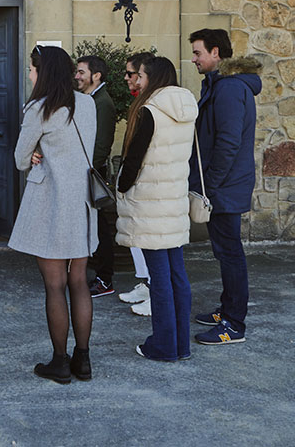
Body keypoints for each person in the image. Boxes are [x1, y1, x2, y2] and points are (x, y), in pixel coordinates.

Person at [9, 46, 97, 384]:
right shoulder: (87, 104)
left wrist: (35, 151)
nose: (30, 74)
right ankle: (83, 360)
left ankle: (60, 362)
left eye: (32, 69)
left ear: (42, 71)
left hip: (51, 203)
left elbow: (20, 159)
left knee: (55, 285)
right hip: (82, 203)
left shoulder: (39, 109)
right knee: (79, 282)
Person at [116, 56, 198, 362]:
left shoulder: (150, 111)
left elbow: (134, 160)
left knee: (160, 279)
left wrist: (121, 187)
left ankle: (164, 346)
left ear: (154, 78)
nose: (138, 81)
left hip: (150, 203)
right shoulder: (186, 108)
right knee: (177, 275)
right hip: (173, 200)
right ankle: (181, 345)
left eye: (141, 76)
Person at [189, 28, 262, 345]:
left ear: (215, 52)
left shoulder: (230, 88)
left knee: (230, 253)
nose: (194, 59)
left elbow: (228, 143)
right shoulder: (221, 85)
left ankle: (234, 324)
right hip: (223, 186)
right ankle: (227, 309)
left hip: (224, 187)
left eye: (198, 52)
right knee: (225, 251)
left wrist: (210, 185)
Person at [75, 54, 117, 297]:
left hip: (92, 173)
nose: (77, 76)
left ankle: (104, 279)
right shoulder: (88, 99)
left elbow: (101, 145)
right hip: (84, 170)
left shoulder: (103, 103)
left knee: (99, 227)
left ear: (96, 75)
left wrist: (86, 170)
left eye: (81, 72)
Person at [118, 51, 155, 316]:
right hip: (135, 184)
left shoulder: (150, 107)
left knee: (149, 241)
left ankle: (155, 290)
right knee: (136, 239)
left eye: (132, 73)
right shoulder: (139, 102)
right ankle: (145, 283)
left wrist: (125, 180)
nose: (128, 78)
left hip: (147, 185)